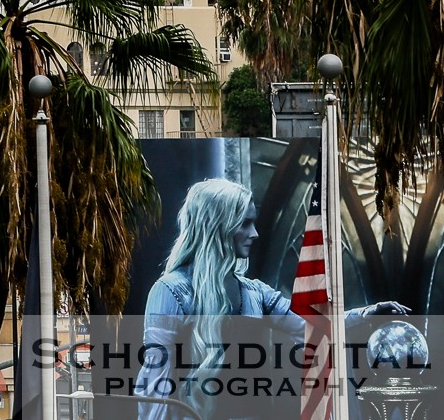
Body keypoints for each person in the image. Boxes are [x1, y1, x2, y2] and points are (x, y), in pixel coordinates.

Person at [136, 178, 406, 420]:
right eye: (245, 223)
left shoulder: (254, 292)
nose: (255, 233)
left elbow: (314, 326)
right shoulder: (170, 291)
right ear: (217, 226)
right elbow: (154, 386)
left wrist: (367, 314)